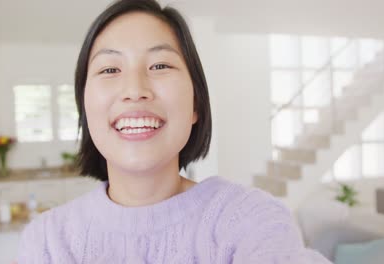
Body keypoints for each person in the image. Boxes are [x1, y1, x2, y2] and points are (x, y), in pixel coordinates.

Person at [17, 0, 331, 263]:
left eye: (160, 66)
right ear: (85, 107)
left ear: (196, 104)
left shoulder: (251, 222)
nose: (135, 90)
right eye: (109, 69)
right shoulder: (48, 242)